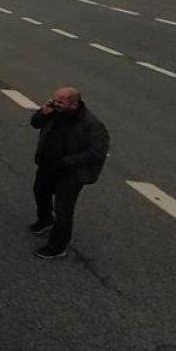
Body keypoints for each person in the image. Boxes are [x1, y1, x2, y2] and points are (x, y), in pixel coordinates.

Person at [29, 87, 110, 259]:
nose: (54, 103)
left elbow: (96, 153)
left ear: (74, 104)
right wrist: (43, 113)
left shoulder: (92, 125)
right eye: (54, 99)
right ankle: (45, 219)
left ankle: (57, 246)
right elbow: (35, 123)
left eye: (60, 101)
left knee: (63, 210)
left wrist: (67, 162)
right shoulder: (53, 111)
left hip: (70, 174)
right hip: (48, 166)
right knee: (39, 192)